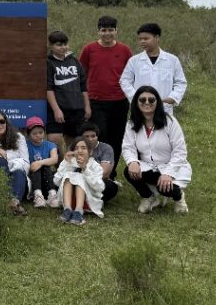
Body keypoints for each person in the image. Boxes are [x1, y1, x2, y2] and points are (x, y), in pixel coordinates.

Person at [122, 86, 191, 214]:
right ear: (136, 102)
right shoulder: (132, 124)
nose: (147, 102)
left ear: (157, 102)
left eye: (151, 100)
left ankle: (179, 197)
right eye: (142, 100)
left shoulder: (170, 122)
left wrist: (168, 173)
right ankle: (148, 196)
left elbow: (180, 151)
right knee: (129, 171)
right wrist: (132, 162)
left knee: (163, 187)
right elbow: (128, 147)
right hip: (149, 166)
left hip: (170, 165)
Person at [79, 16, 133, 169]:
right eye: (104, 30)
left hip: (119, 101)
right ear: (98, 31)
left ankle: (111, 172)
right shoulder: (89, 49)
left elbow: (131, 74)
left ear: (116, 31)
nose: (107, 33)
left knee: (117, 137)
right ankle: (97, 170)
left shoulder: (125, 50)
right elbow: (81, 74)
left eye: (111, 30)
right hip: (96, 101)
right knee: (100, 136)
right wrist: (84, 100)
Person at [119, 23, 188, 117]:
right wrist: (136, 97)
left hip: (164, 108)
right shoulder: (134, 61)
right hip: (140, 109)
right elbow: (125, 81)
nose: (142, 42)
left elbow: (180, 82)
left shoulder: (172, 60)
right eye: (140, 39)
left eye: (146, 38)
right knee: (140, 126)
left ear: (157, 38)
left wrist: (173, 97)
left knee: (163, 126)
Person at [45, 30, 90, 154]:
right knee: (54, 141)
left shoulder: (75, 62)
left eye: (65, 44)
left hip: (76, 109)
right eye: (59, 45)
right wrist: (56, 110)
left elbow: (83, 86)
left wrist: (87, 106)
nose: (63, 47)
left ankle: (71, 165)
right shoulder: (48, 63)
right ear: (51, 46)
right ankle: (58, 164)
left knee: (75, 143)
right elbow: (48, 88)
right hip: (56, 110)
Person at [54, 136, 105, 226]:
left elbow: (99, 187)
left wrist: (85, 169)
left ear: (90, 151)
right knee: (68, 175)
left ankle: (78, 211)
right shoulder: (69, 161)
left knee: (79, 176)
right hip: (69, 200)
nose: (79, 151)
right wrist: (66, 163)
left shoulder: (95, 166)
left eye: (83, 148)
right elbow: (56, 181)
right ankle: (67, 209)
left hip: (88, 201)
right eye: (76, 148)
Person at [79, 121, 120, 202]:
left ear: (97, 136)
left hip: (96, 181)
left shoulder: (106, 148)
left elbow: (104, 173)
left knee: (110, 187)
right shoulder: (77, 147)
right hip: (78, 179)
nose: (90, 139)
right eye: (86, 136)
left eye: (93, 136)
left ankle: (84, 198)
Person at [25, 116, 59, 209]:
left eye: (40, 132)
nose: (38, 135)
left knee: (45, 166)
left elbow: (54, 159)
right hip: (32, 178)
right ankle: (38, 196)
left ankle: (52, 195)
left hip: (47, 179)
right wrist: (37, 165)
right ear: (28, 134)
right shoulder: (25, 145)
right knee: (37, 168)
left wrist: (39, 163)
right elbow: (30, 166)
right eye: (34, 133)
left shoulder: (50, 145)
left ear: (44, 132)